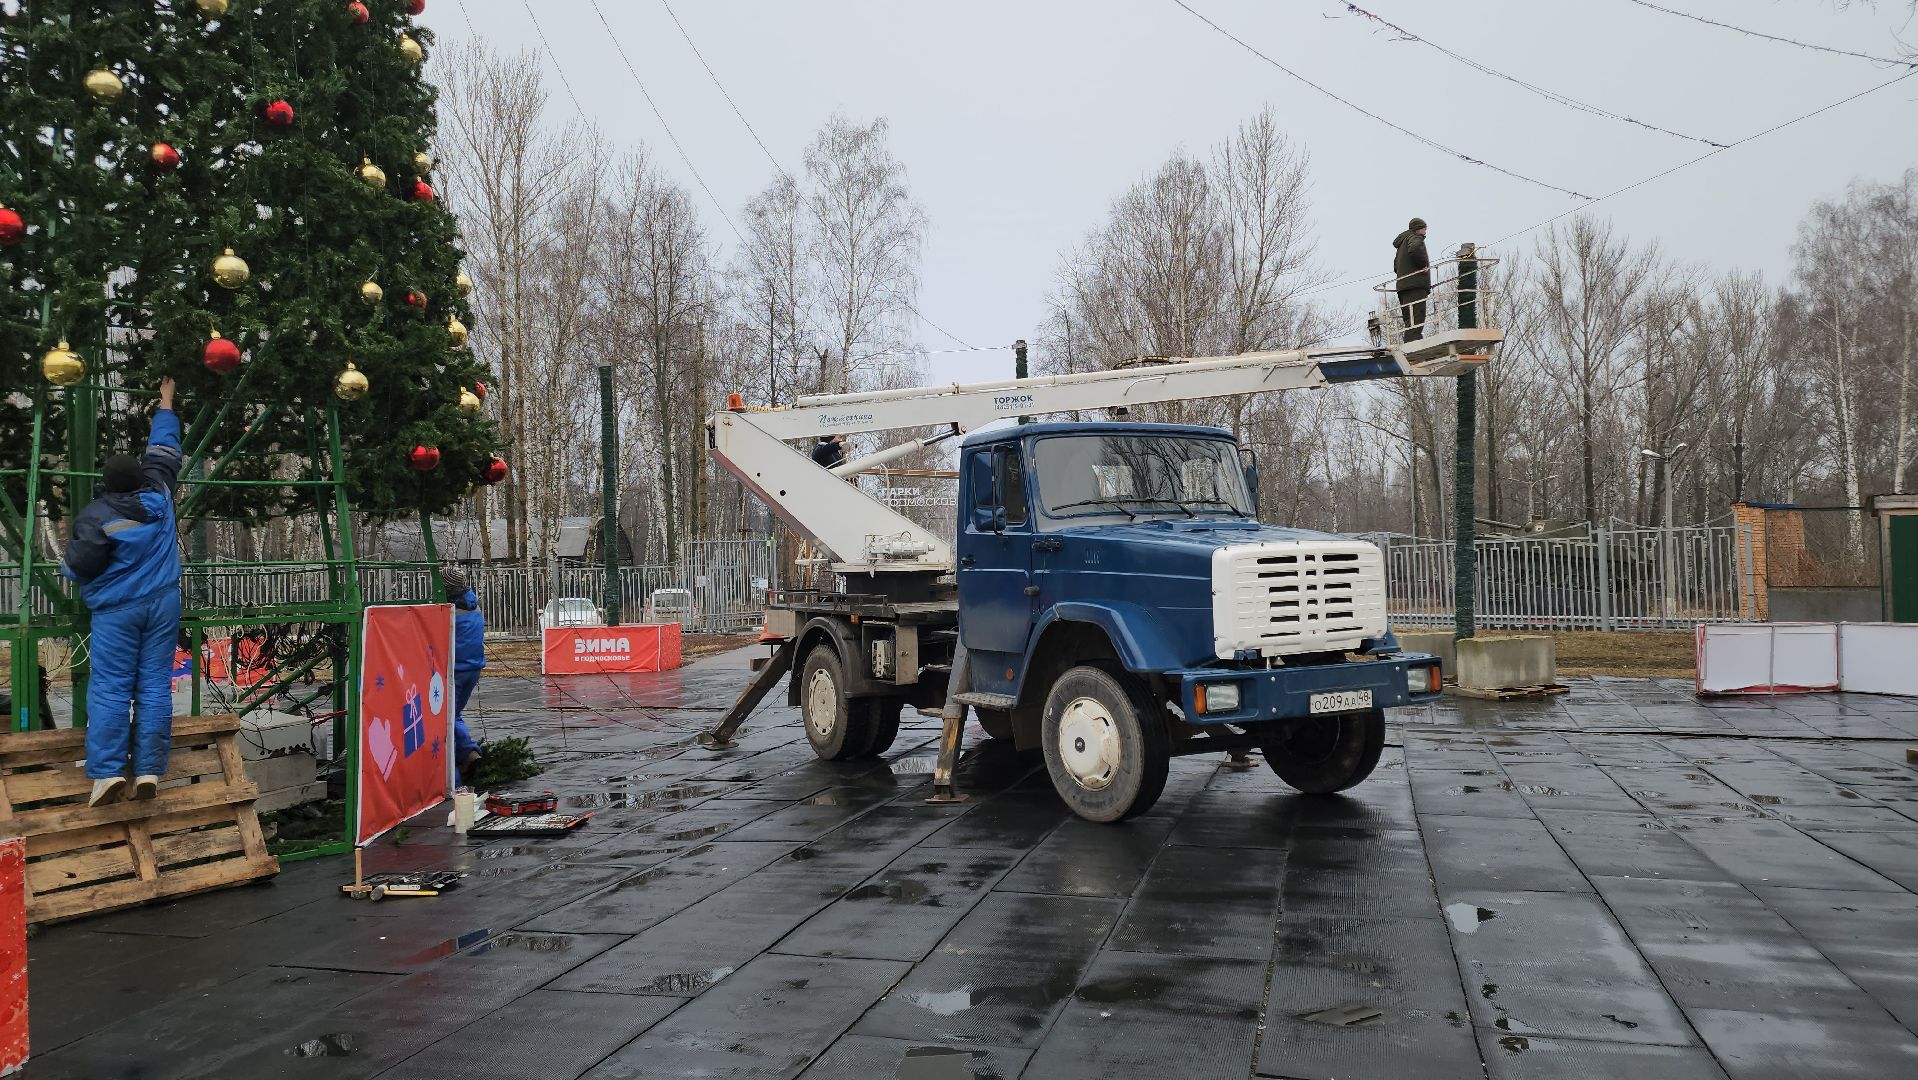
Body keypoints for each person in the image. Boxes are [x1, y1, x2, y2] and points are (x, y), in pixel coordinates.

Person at [62, 378, 184, 807]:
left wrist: (66, 567)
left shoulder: (97, 516)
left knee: (112, 687)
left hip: (118, 609)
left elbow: (82, 565)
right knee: (154, 685)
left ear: (106, 483)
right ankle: (149, 769)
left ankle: (108, 772)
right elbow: (164, 449)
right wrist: (166, 403)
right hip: (164, 602)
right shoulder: (160, 493)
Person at [443, 564, 485, 783]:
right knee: (453, 713)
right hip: (473, 667)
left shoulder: (448, 611)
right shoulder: (472, 603)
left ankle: (464, 761)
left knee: (447, 717)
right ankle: (468, 753)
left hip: (456, 670)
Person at [1392, 216, 1432, 342]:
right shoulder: (1415, 238)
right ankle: (1414, 343)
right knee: (1417, 317)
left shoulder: (1402, 244)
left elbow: (1396, 266)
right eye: (1424, 229)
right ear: (1418, 229)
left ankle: (1410, 342)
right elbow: (1415, 249)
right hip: (1415, 285)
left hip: (1403, 287)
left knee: (1409, 320)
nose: (1425, 232)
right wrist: (1422, 265)